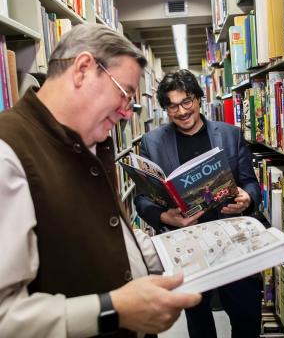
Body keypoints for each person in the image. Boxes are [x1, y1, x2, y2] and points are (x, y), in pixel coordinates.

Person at [0, 24, 201, 338]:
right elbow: (4, 317)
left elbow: (104, 232)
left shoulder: (84, 141)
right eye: (124, 94)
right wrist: (113, 309)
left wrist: (189, 248)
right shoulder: (7, 152)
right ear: (82, 69)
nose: (125, 113)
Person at [134, 69, 262, 338]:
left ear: (199, 99)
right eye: (173, 106)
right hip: (187, 249)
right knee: (199, 322)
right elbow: (142, 199)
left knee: (246, 317)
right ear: (165, 109)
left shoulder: (230, 134)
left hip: (233, 243)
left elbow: (251, 184)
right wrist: (165, 217)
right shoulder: (152, 142)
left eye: (187, 101)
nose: (181, 111)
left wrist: (247, 198)